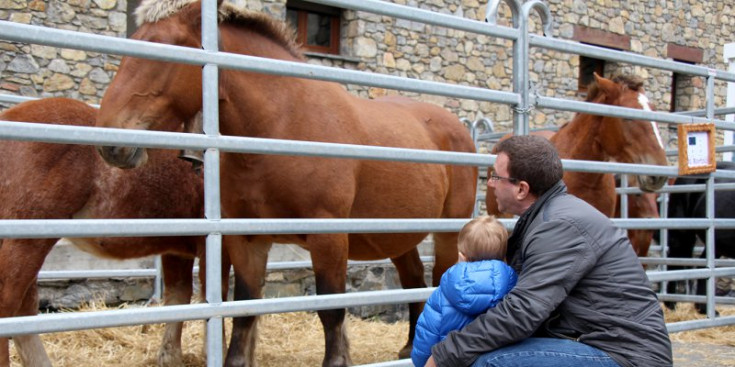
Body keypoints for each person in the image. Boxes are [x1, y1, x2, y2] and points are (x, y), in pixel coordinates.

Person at [425, 135, 672, 367]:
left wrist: (444, 355)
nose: (490, 183)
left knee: (487, 362)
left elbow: (522, 312)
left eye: (496, 177)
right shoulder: (548, 217)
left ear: (521, 189)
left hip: (625, 356)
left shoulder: (559, 225)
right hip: (599, 343)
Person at [411, 215, 518, 367]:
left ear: (461, 257)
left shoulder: (442, 296)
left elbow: (427, 337)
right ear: (505, 257)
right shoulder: (516, 290)